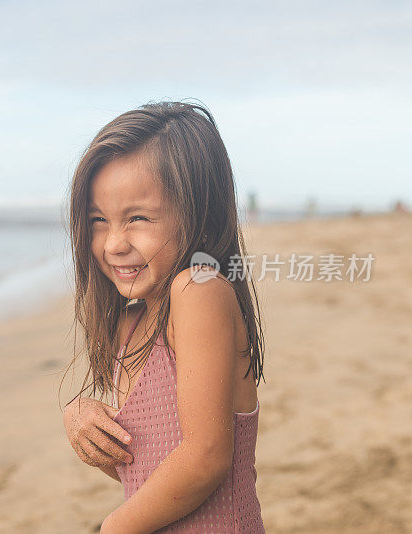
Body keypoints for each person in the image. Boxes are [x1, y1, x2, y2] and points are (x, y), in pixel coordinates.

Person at [62, 101, 266, 533]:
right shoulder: (129, 323)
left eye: (138, 218)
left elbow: (206, 456)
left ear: (200, 215)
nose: (113, 243)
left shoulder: (198, 289)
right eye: (99, 220)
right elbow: (145, 472)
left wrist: (114, 528)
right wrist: (82, 421)